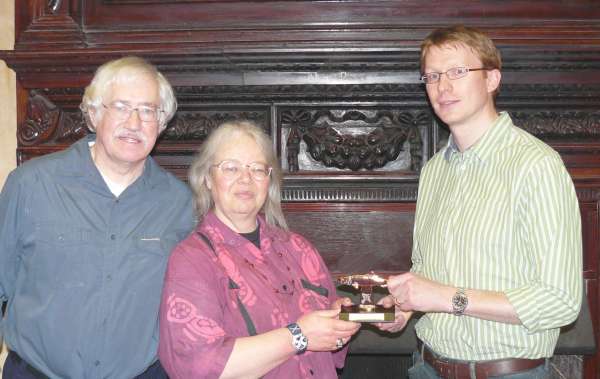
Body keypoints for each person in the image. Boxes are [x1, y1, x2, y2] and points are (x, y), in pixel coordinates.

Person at [378, 25, 583, 379]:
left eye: (458, 72)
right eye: (432, 76)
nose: (443, 86)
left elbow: (560, 302)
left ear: (492, 79)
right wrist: (406, 305)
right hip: (426, 367)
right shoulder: (433, 172)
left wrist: (445, 298)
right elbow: (429, 271)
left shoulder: (536, 165)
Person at [0, 56, 196, 378]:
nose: (134, 123)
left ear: (162, 124)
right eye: (120, 107)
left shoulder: (180, 204)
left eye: (148, 111)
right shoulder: (31, 185)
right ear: (93, 114)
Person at [158, 120, 361, 379]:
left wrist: (339, 321)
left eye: (257, 169)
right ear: (208, 178)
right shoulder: (192, 259)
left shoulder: (299, 249)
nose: (245, 179)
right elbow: (199, 365)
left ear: (269, 180)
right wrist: (299, 336)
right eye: (231, 168)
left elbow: (331, 350)